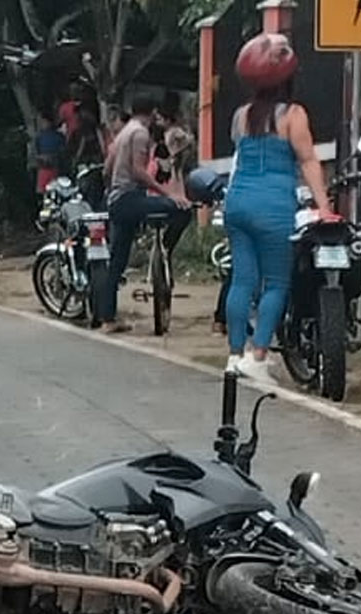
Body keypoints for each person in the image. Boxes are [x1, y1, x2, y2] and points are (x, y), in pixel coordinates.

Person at [220, 32, 336, 382]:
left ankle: (234, 355)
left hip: (237, 201)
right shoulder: (293, 114)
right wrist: (324, 207)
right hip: (273, 205)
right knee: (276, 283)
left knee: (242, 280)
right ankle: (258, 356)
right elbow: (308, 161)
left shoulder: (241, 115)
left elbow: (240, 154)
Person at [93, 93, 192, 333]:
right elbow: (139, 172)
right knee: (182, 210)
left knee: (116, 261)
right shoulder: (140, 134)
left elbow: (107, 169)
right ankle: (165, 251)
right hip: (130, 198)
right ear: (153, 113)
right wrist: (169, 195)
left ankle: (107, 318)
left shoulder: (123, 133)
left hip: (117, 200)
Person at [33, 115, 67, 194]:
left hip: (54, 165)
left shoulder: (58, 136)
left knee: (54, 187)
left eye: (45, 122)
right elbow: (37, 150)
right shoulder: (40, 137)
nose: (43, 124)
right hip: (43, 166)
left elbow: (63, 150)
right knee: (42, 189)